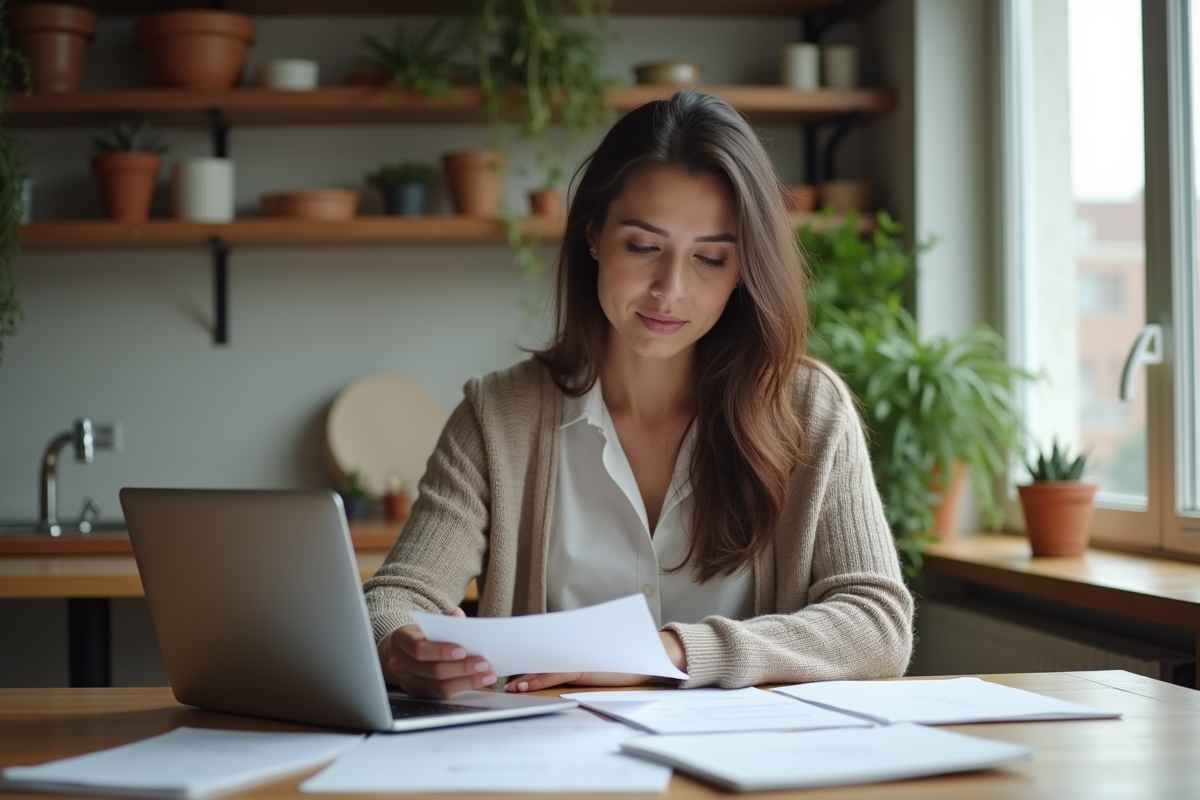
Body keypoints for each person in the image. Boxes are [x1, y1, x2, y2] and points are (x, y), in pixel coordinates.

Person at [365, 90, 913, 699]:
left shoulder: (808, 410)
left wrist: (666, 653)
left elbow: (877, 623)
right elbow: (394, 598)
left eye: (710, 258)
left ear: (743, 270)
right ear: (593, 234)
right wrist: (399, 646)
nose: (669, 289)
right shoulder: (498, 417)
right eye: (643, 247)